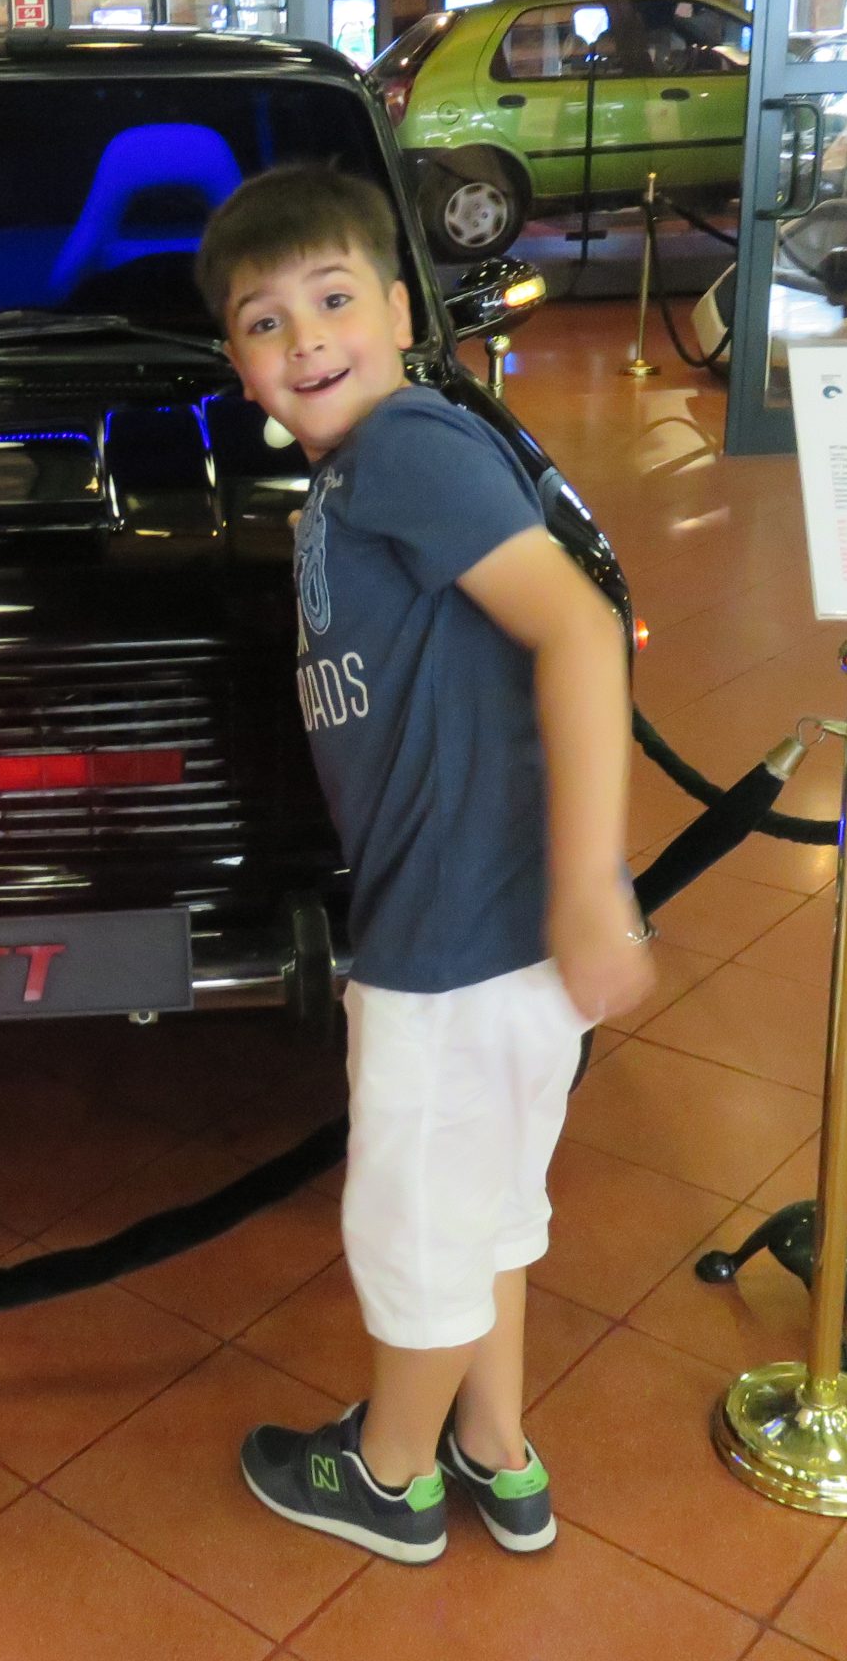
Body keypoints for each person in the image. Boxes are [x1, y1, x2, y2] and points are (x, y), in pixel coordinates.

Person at [199, 163, 653, 1563]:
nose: (305, 339)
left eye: (334, 300)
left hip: (457, 938)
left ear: (401, 312)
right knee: (486, 1207)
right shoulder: (368, 470)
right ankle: (496, 1451)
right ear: (237, 360)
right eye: (266, 321)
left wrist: (590, 886)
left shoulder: (404, 447)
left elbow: (578, 629)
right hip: (491, 934)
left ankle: (388, 1476)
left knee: (412, 1227)